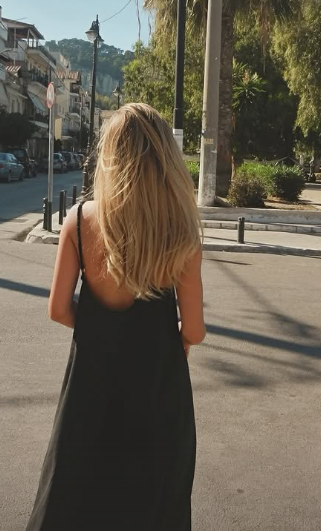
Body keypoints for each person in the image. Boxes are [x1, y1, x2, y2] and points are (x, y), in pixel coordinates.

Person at [25, 103, 205, 531]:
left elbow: (58, 309)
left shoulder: (78, 221)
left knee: (76, 497)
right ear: (165, 159)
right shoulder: (181, 231)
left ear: (110, 156)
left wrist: (105, 331)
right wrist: (176, 339)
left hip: (91, 386)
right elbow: (195, 330)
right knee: (154, 506)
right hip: (159, 389)